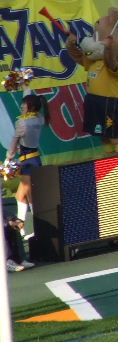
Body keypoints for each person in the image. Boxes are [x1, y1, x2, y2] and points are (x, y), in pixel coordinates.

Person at [66, 28, 118, 153]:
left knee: (114, 135)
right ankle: (109, 158)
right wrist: (71, 44)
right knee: (102, 135)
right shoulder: (92, 62)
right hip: (93, 101)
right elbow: (78, 56)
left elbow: (111, 60)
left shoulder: (111, 63)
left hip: (110, 102)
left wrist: (109, 47)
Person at [6, 92, 47, 236]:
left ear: (31, 106)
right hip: (33, 159)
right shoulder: (39, 118)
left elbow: (14, 141)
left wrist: (9, 158)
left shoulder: (22, 123)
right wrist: (26, 87)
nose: (22, 106)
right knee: (20, 196)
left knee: (32, 198)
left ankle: (39, 230)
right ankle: (21, 229)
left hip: (27, 162)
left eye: (24, 104)